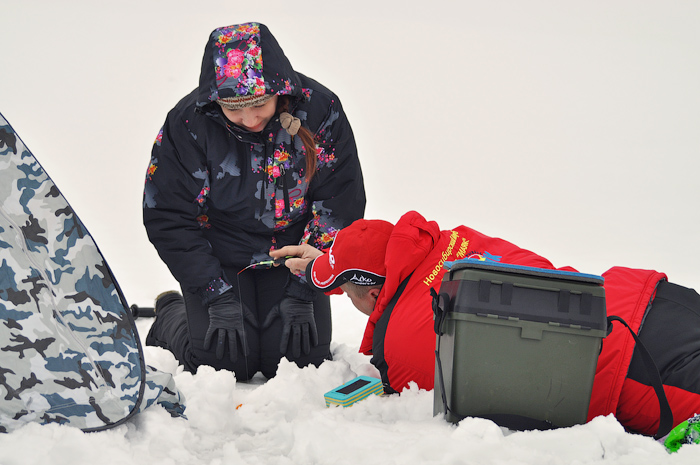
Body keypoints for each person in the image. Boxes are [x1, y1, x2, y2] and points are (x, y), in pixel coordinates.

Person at [270, 210, 700, 439]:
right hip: (649, 297)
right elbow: (384, 277)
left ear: (367, 294)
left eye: (347, 293)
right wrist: (321, 269)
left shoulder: (400, 348)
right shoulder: (451, 242)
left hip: (632, 368)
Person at [142, 22, 366, 381]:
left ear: (279, 89)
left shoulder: (321, 111)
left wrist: (306, 286)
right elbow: (169, 215)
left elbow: (339, 203)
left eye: (259, 104)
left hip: (295, 255)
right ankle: (171, 311)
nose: (249, 120)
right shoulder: (189, 124)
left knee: (301, 361)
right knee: (223, 362)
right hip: (221, 256)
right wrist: (214, 293)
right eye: (234, 109)